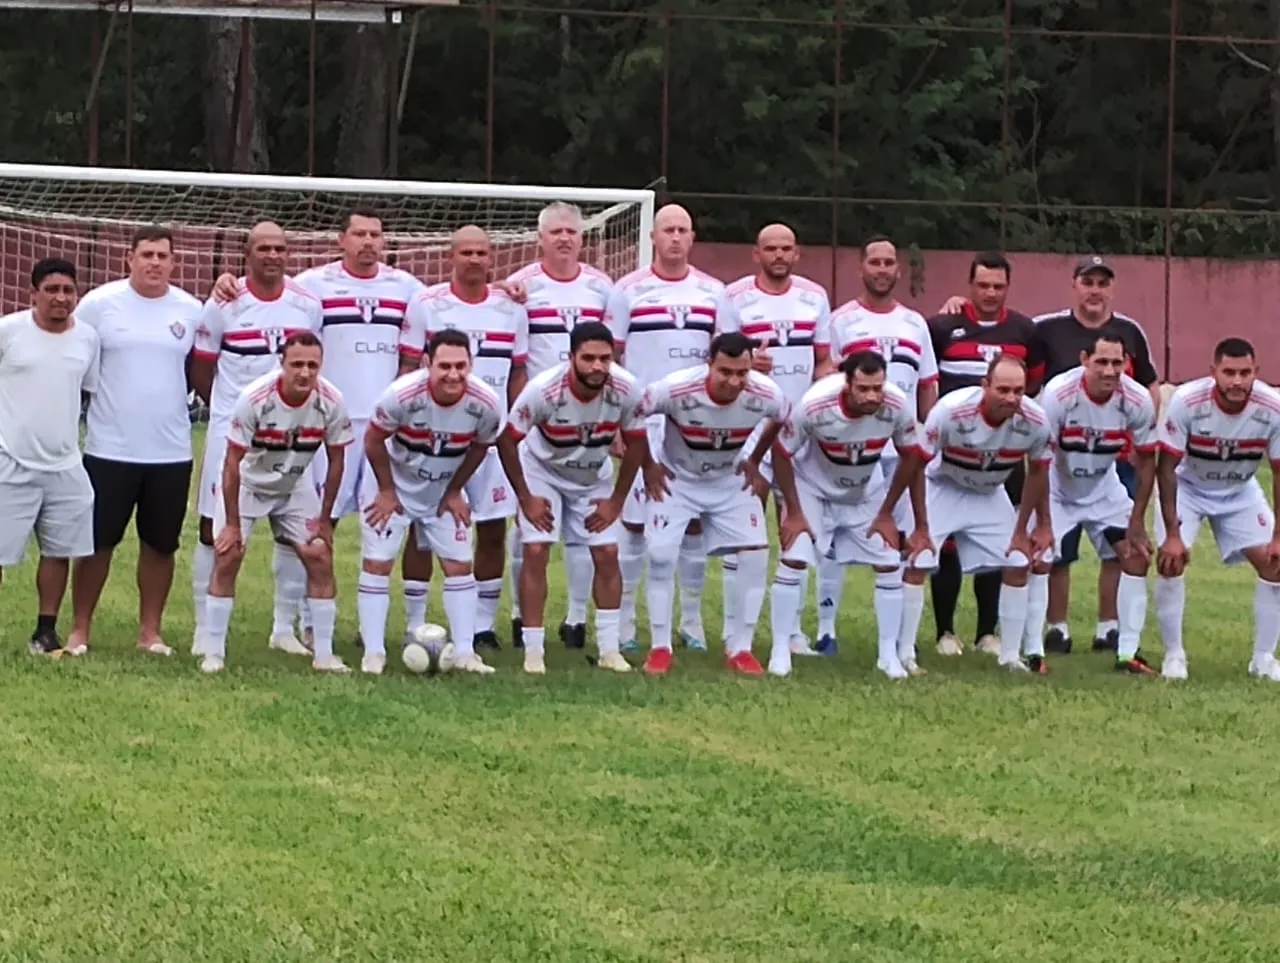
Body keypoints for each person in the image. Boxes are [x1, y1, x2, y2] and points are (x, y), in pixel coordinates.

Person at [213, 211, 427, 648]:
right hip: (323, 427)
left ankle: (388, 628)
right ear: (341, 240)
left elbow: (452, 301)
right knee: (312, 525)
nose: (368, 241)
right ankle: (294, 625)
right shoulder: (313, 285)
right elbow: (268, 291)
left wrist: (506, 288)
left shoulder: (407, 287)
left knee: (387, 521)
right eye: (359, 234)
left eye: (375, 234)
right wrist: (226, 282)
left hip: (384, 430)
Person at [67, 225, 204, 657]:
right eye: (147, 254)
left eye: (163, 256)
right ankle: (79, 630)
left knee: (160, 545)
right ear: (129, 257)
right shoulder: (99, 304)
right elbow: (74, 360)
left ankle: (150, 633)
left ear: (174, 262)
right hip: (109, 448)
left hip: (171, 451)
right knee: (97, 542)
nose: (155, 263)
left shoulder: (191, 309)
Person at [190, 221, 322, 657]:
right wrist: (231, 413)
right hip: (233, 433)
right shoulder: (223, 302)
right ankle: (205, 631)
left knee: (294, 530)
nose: (272, 255)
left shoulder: (306, 304)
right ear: (247, 254)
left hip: (293, 436)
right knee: (214, 529)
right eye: (263, 248)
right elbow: (202, 367)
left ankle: (284, 629)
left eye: (280, 248)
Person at [402, 225, 529, 658]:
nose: (474, 259)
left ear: (492, 258)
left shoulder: (511, 308)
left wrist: (515, 423)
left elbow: (517, 372)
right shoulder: (426, 304)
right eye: (466, 252)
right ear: (450, 256)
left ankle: (481, 626)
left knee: (492, 528)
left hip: (490, 440)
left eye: (482, 253)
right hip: (435, 438)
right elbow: (409, 367)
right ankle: (415, 624)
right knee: (421, 528)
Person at [767, 351, 930, 679]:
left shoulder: (896, 405)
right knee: (794, 557)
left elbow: (912, 457)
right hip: (813, 488)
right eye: (863, 389)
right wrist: (794, 512)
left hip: (864, 492)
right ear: (847, 384)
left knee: (889, 561)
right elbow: (781, 453)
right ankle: (780, 650)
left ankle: (887, 656)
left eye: (877, 388)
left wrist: (887, 513)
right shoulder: (815, 405)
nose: (872, 396)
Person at [635, 332, 791, 675]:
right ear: (709, 364)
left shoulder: (766, 393)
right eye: (725, 372)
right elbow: (633, 414)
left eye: (742, 373)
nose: (734, 381)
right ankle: (660, 648)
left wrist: (754, 459)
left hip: (728, 480)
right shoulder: (675, 388)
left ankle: (741, 648)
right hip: (677, 479)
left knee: (756, 554)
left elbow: (781, 417)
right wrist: (648, 465)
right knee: (660, 554)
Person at [497, 322, 648, 674]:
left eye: (605, 359)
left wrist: (616, 501)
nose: (597, 366)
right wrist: (525, 497)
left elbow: (638, 443)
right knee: (536, 549)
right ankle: (534, 652)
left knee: (607, 553)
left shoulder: (627, 389)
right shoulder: (543, 390)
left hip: (593, 476)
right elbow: (507, 440)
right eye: (588, 358)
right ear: (571, 357)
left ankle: (609, 649)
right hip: (543, 470)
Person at [199, 332, 353, 675]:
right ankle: (213, 652)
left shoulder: (332, 400)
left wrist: (325, 519)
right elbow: (231, 463)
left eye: (312, 365)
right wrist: (232, 525)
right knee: (228, 556)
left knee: (319, 555)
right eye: (297, 364)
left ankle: (324, 655)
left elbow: (337, 460)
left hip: (294, 483)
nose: (305, 372)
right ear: (281, 363)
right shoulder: (255, 398)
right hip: (247, 483)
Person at [607, 203, 724, 654]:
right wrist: (617, 422)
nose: (675, 237)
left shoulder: (714, 293)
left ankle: (691, 622)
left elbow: (725, 359)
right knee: (634, 524)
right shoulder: (627, 290)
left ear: (692, 238)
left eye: (682, 230)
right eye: (667, 230)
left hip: (694, 426)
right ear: (652, 237)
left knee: (691, 523)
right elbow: (612, 359)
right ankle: (625, 623)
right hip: (643, 422)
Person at [1032, 255, 1161, 654]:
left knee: (1130, 553)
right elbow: (1039, 456)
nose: (1109, 370)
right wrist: (1042, 519)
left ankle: (1117, 637)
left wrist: (1137, 520)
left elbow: (1149, 448)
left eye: (1102, 282)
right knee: (1046, 555)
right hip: (1060, 475)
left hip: (1107, 471)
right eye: (1088, 281)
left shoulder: (1130, 337)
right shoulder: (1049, 339)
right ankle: (1050, 634)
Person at [502, 201, 615, 651]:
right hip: (539, 420)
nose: (565, 238)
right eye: (556, 232)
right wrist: (520, 413)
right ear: (540, 239)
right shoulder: (521, 287)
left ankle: (576, 619)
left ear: (582, 238)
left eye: (572, 231)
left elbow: (612, 354)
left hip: (589, 421)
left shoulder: (602, 287)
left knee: (585, 530)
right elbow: (517, 361)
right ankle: (518, 615)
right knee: (530, 528)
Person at [717, 222, 832, 659]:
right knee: (743, 528)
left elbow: (823, 361)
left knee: (796, 527)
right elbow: (722, 357)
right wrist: (752, 364)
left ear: (797, 253)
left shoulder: (815, 296)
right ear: (756, 254)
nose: (779, 255)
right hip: (749, 430)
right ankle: (733, 630)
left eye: (786, 248)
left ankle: (793, 631)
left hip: (798, 432)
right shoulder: (734, 297)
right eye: (771, 249)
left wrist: (825, 393)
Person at [361, 329, 506, 675]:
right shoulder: (400, 395)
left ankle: (466, 653)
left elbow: (480, 447)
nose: (453, 374)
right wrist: (386, 491)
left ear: (471, 364)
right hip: (393, 485)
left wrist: (455, 491)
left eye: (461, 366)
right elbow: (373, 440)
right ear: (427, 363)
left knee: (459, 565)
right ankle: (374, 653)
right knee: (378, 564)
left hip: (441, 490)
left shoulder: (487, 404)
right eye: (444, 366)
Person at [898, 354, 1054, 673]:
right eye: (1003, 390)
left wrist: (1033, 527)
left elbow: (1038, 472)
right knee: (919, 559)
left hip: (988, 491)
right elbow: (916, 466)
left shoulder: (1036, 421)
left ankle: (1010, 656)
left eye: (1018, 391)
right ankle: (903, 653)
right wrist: (921, 526)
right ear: (985, 385)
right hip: (943, 486)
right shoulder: (950, 411)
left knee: (1018, 561)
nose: (1011, 398)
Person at [822, 235, 939, 655]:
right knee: (832, 538)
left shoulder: (915, 323)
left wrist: (926, 437)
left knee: (904, 540)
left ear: (898, 270)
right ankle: (826, 630)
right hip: (855, 450)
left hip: (902, 452)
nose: (883, 269)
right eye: (875, 262)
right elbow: (828, 381)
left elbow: (927, 383)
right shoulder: (841, 321)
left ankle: (902, 643)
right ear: (861, 268)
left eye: (889, 262)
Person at [926, 251, 1044, 658]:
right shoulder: (943, 326)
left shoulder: (1025, 330)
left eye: (998, 286)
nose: (990, 293)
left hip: (1001, 454)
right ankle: (944, 631)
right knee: (944, 547)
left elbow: (1034, 383)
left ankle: (988, 633)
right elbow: (927, 376)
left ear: (1008, 287)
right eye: (983, 285)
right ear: (970, 285)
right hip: (953, 449)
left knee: (1000, 548)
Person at [1155, 337, 1280, 681]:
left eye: (1244, 373)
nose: (1237, 381)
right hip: (1189, 487)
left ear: (1256, 372)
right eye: (1229, 372)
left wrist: (1278, 536)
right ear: (1214, 371)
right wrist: (1173, 534)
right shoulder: (1187, 401)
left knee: (1275, 564)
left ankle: (1263, 659)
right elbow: (1165, 468)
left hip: (1239, 490)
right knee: (1170, 562)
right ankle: (1174, 656)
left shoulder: (1273, 407)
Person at [0, 258, 100, 654]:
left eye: (68, 290)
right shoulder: (9, 331)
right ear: (33, 294)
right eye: (52, 290)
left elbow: (86, 390)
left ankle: (45, 632)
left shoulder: (88, 338)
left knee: (58, 551)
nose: (61, 298)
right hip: (10, 461)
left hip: (65, 464)